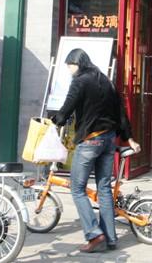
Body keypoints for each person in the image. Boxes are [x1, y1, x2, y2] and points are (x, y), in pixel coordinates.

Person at [51, 48, 140, 253]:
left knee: (77, 188)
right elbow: (120, 112)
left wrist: (55, 120)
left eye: (69, 66)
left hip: (91, 140)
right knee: (104, 189)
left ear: (77, 63)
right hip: (109, 140)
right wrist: (128, 137)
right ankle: (110, 239)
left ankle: (93, 233)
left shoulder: (80, 81)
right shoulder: (106, 80)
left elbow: (67, 108)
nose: (69, 70)